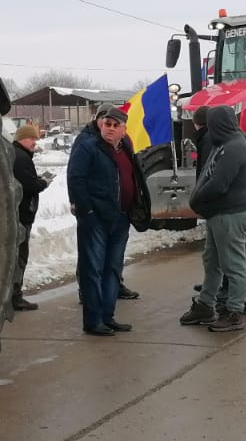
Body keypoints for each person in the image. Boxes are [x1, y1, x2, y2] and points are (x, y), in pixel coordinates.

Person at [67, 106, 149, 336]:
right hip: (95, 220)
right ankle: (93, 321)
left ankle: (107, 316)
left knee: (113, 269)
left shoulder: (126, 147)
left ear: (124, 129)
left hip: (121, 218)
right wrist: (88, 211)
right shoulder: (88, 147)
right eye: (107, 124)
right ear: (100, 124)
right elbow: (75, 179)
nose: (110, 129)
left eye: (115, 125)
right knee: (92, 269)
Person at [178, 107, 246, 332]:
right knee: (212, 261)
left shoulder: (234, 148)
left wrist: (197, 199)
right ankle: (205, 304)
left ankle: (234, 312)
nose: (208, 129)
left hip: (231, 214)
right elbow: (207, 175)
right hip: (219, 215)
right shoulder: (223, 145)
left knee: (233, 264)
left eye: (211, 125)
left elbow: (219, 184)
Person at [10, 123, 53, 311]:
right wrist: (43, 182)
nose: (35, 142)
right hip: (21, 214)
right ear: (22, 138)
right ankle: (15, 296)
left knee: (16, 255)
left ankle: (11, 295)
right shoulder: (20, 157)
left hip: (18, 213)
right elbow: (28, 184)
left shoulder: (16, 154)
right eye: (32, 138)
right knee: (19, 256)